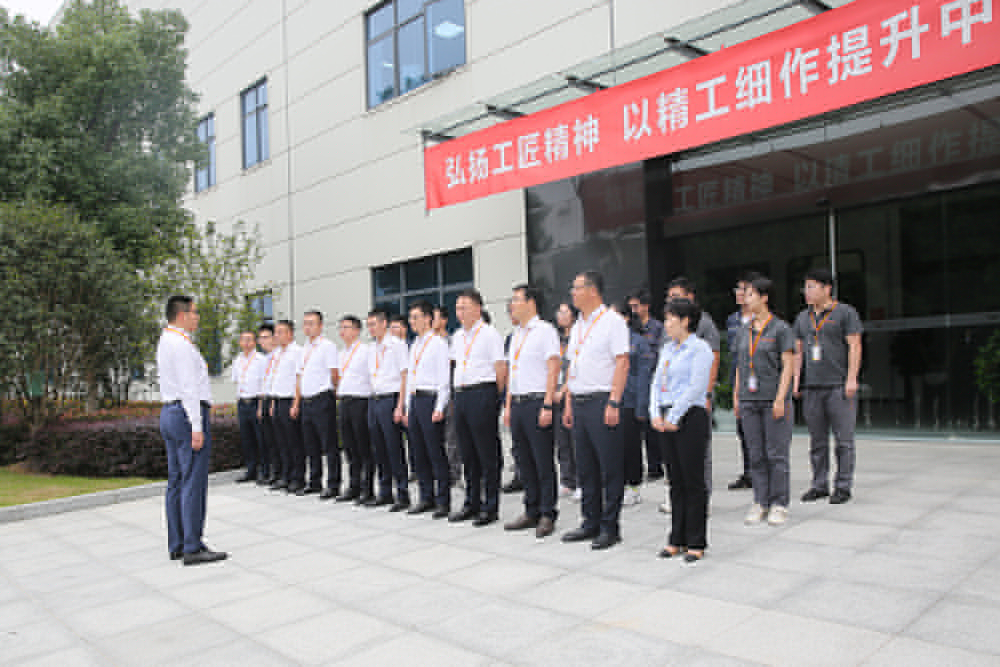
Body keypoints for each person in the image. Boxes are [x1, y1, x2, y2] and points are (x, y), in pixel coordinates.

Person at [561, 271, 630, 550]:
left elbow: (622, 362)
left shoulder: (612, 322)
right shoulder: (578, 325)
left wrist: (614, 401)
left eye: (576, 288)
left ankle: (610, 527)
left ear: (592, 290)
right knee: (585, 467)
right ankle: (590, 521)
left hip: (602, 400)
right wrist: (568, 403)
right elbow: (571, 366)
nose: (572, 293)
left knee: (609, 467)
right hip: (578, 401)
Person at [156, 295, 227, 565]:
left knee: (176, 480)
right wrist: (197, 426)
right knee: (193, 481)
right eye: (195, 313)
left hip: (170, 412)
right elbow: (189, 388)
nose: (198, 317)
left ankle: (178, 543)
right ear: (182, 315)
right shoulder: (182, 345)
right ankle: (192, 546)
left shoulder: (166, 340)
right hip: (186, 414)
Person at [650, 298, 714, 563]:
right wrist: (655, 413)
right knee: (675, 481)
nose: (666, 324)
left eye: (670, 319)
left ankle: (696, 541)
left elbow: (696, 386)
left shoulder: (700, 349)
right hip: (666, 416)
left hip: (689, 417)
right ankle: (676, 537)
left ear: (685, 321)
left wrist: (675, 415)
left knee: (693, 481)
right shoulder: (667, 349)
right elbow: (656, 383)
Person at [793, 268, 863, 505]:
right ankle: (819, 485)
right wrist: (796, 380)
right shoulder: (802, 318)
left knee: (843, 441)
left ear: (827, 288)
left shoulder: (845, 313)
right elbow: (798, 352)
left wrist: (851, 378)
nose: (807, 292)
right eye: (805, 287)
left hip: (838, 386)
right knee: (817, 441)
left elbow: (855, 346)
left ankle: (843, 486)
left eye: (811, 287)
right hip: (812, 386)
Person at [734, 276, 796, 526]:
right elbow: (739, 366)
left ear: (764, 298)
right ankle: (760, 501)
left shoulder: (780, 329)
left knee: (776, 454)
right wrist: (737, 395)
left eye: (750, 294)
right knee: (756, 453)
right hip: (749, 400)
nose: (745, 299)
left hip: (773, 399)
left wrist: (781, 398)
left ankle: (779, 503)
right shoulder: (744, 330)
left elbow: (788, 366)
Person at [503, 284, 561, 538]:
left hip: (538, 402)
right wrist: (508, 407)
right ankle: (531, 509)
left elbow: (553, 368)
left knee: (542, 460)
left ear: (531, 303)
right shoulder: (516, 334)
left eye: (516, 299)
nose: (512, 304)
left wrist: (548, 404)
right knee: (523, 460)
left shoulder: (545, 331)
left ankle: (548, 512)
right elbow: (512, 375)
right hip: (518, 403)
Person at [449, 288, 507, 527]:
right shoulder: (457, 336)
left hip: (482, 393)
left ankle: (490, 506)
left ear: (478, 308)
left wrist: (495, 398)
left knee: (486, 453)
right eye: (457, 308)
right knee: (468, 453)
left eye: (464, 307)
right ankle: (471, 502)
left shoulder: (489, 334)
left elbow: (500, 369)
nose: (459, 312)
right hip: (461, 395)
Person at [402, 301, 452, 518]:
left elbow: (444, 379)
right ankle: (426, 497)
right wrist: (407, 407)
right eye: (410, 317)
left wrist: (440, 406)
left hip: (430, 400)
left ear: (427, 318)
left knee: (435, 452)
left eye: (415, 317)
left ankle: (443, 500)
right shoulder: (414, 344)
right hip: (415, 400)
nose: (412, 321)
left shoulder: (438, 344)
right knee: (418, 452)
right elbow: (410, 378)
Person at [366, 308, 411, 510]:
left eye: (373, 324)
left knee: (394, 447)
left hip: (390, 400)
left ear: (384, 323)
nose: (370, 328)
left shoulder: (397, 345)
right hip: (374, 400)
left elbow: (404, 376)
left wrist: (400, 405)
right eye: (368, 325)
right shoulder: (371, 348)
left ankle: (402, 494)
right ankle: (385, 492)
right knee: (379, 448)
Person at [294, 310, 338, 497]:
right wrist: (297, 402)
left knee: (329, 444)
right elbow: (299, 376)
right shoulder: (303, 349)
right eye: (305, 323)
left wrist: (332, 393)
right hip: (306, 401)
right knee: (310, 444)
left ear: (320, 326)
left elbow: (334, 374)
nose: (308, 327)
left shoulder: (328, 346)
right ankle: (315, 481)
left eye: (311, 323)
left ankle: (333, 484)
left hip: (322, 399)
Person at [725, 273, 759, 491]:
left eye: (744, 290)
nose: (739, 294)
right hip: (739, 377)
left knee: (759, 431)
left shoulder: (764, 319)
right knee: (743, 430)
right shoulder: (733, 320)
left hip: (760, 378)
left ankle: (761, 472)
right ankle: (748, 472)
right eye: (737, 289)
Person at [335, 315, 374, 503]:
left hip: (360, 401)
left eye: (346, 327)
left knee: (363, 447)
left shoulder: (365, 351)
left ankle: (367, 489)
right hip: (344, 401)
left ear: (357, 330)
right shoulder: (341, 353)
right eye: (340, 327)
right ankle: (354, 486)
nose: (342, 331)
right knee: (349, 447)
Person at [628, 288, 665, 481]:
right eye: (631, 306)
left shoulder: (657, 327)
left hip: (652, 380)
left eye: (636, 306)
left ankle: (655, 466)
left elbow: (659, 355)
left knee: (652, 428)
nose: (633, 310)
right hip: (634, 383)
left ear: (646, 306)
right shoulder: (630, 328)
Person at [621, 303, 656, 506]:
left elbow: (644, 376)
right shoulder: (609, 340)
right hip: (613, 400)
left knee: (631, 446)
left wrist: (642, 406)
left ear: (626, 318)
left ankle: (633, 486)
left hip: (631, 401)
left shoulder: (639, 342)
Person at [271, 320, 305, 493]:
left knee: (294, 443)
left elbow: (299, 379)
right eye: (276, 332)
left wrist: (296, 403)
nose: (277, 336)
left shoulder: (297, 352)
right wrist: (272, 403)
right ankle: (286, 476)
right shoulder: (277, 353)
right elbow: (274, 380)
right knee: (282, 443)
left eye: (281, 332)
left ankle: (298, 478)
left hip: (289, 401)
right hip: (277, 401)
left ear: (290, 333)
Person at [434, 304, 463, 487]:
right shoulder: (428, 343)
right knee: (436, 437)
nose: (432, 321)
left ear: (444, 320)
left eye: (435, 317)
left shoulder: (451, 341)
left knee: (451, 437)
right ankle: (439, 470)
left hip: (450, 394)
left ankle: (454, 472)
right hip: (433, 394)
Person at [231, 330, 265, 483]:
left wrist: (261, 407)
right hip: (242, 403)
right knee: (247, 439)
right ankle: (250, 471)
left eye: (249, 339)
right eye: (243, 339)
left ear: (254, 342)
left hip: (256, 402)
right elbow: (237, 382)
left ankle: (264, 471)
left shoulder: (260, 360)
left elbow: (263, 384)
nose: (246, 343)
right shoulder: (237, 360)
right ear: (240, 342)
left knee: (260, 439)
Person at [553, 301, 578, 500]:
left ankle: (581, 480)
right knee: (562, 442)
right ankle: (567, 479)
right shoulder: (556, 340)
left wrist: (564, 389)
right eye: (559, 312)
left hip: (572, 393)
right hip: (556, 395)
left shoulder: (578, 338)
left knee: (576, 441)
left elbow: (576, 368)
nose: (560, 315)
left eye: (564, 312)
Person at [255, 324, 277, 486]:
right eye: (260, 338)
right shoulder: (266, 359)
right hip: (265, 400)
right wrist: (260, 406)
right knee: (268, 440)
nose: (262, 341)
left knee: (278, 441)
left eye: (265, 337)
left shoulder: (278, 357)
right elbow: (263, 385)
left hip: (276, 400)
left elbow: (278, 383)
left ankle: (280, 473)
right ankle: (273, 473)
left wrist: (273, 403)